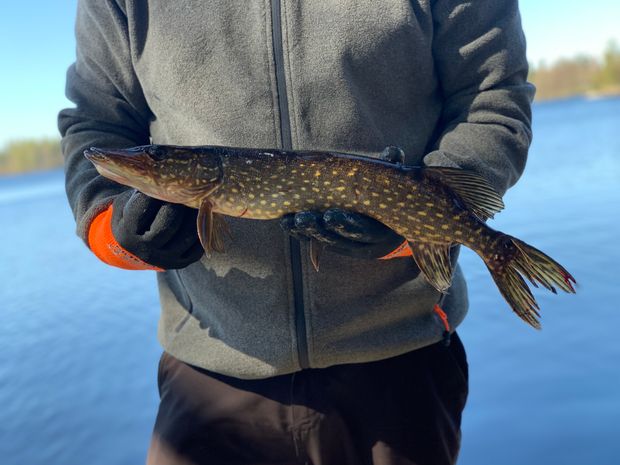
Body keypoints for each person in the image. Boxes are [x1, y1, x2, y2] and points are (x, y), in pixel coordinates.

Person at [59, 1, 534, 464]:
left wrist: (412, 227)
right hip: (209, 369)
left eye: (157, 159)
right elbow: (97, 123)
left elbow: (491, 98)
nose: (148, 163)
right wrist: (113, 230)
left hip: (400, 363)